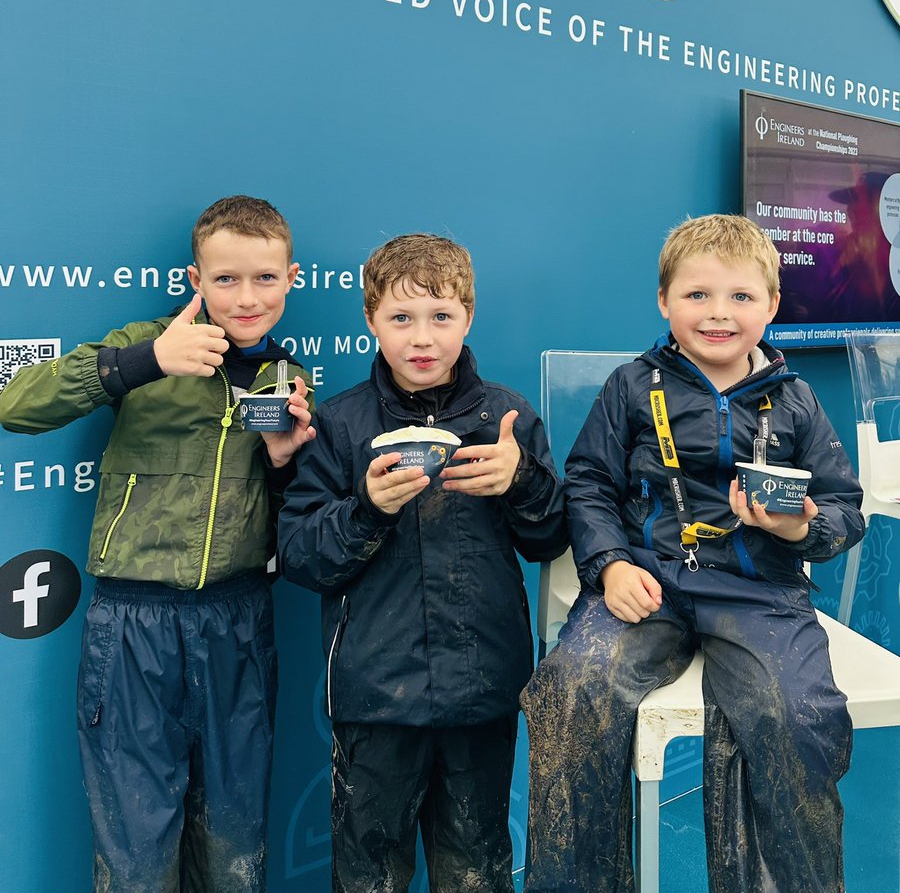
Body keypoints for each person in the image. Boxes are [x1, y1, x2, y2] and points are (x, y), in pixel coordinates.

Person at [521, 213, 865, 893]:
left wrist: (800, 530)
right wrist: (610, 565)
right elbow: (589, 483)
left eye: (741, 296)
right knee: (572, 690)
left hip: (760, 593)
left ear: (772, 305)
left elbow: (842, 508)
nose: (718, 313)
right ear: (664, 301)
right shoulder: (630, 386)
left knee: (796, 715)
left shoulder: (796, 401)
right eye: (697, 294)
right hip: (648, 584)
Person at [0, 194, 316, 893]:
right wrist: (146, 361)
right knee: (137, 853)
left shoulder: (289, 380)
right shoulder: (147, 341)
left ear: (291, 279)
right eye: (226, 279)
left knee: (236, 847)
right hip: (133, 623)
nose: (246, 297)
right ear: (196, 280)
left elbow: (292, 523)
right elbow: (15, 406)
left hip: (238, 621)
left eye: (265, 278)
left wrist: (282, 463)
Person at [278, 233, 567, 893]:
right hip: (375, 697)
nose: (422, 338)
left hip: (483, 689)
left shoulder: (507, 417)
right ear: (371, 320)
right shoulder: (341, 424)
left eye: (441, 316)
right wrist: (366, 510)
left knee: (476, 871)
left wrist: (521, 481)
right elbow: (299, 554)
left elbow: (550, 538)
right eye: (401, 317)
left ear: (468, 316)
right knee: (369, 875)